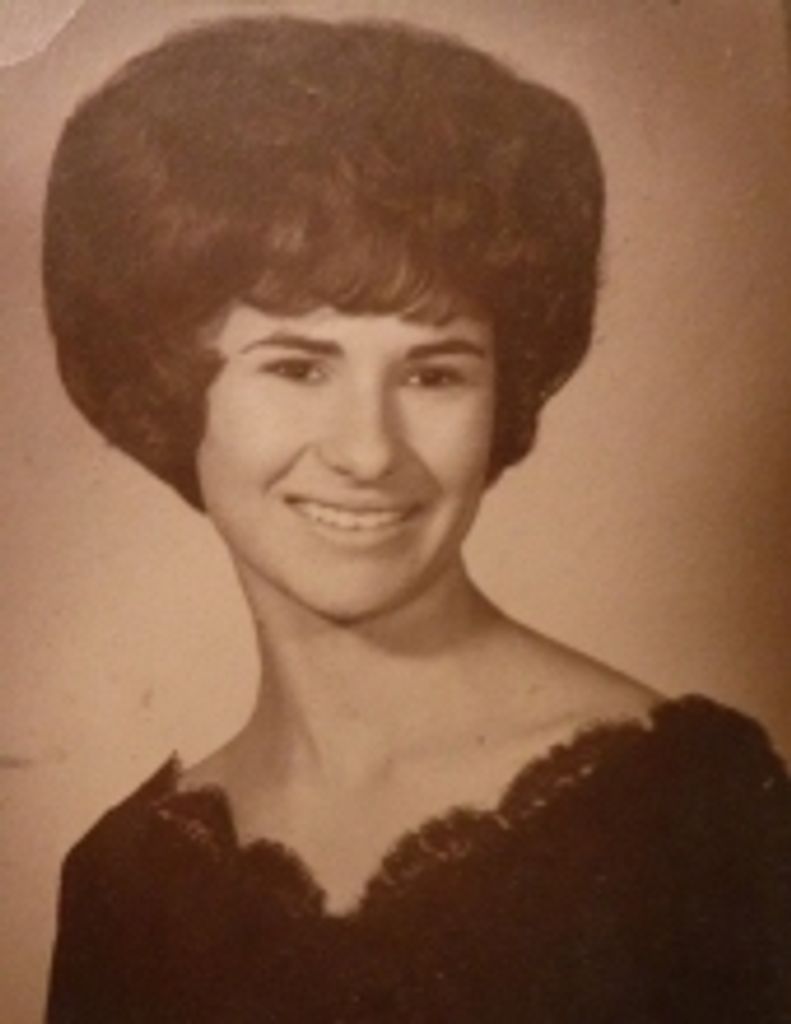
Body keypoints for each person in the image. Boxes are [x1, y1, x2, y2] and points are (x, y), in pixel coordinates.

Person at [44, 15, 790, 1023]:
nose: (368, 451)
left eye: (434, 373)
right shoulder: (124, 881)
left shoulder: (689, 812)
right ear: (170, 389)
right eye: (298, 367)